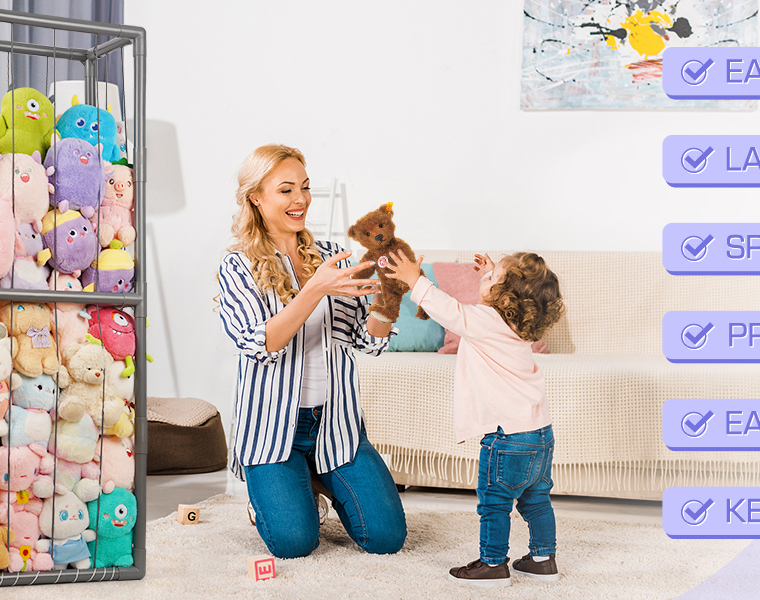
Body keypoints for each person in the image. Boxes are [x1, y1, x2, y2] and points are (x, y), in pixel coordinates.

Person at [216, 144, 407, 558]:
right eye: (285, 190)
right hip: (272, 429)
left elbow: (365, 341)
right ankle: (274, 489)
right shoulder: (236, 265)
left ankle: (314, 474)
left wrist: (389, 300)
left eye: (304, 187)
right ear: (256, 197)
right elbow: (261, 343)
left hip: (334, 423)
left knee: (387, 537)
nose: (300, 199)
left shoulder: (329, 257)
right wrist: (314, 288)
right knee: (294, 543)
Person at [386, 250, 566, 587]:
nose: (484, 276)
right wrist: (492, 276)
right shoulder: (515, 325)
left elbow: (450, 311)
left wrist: (414, 279)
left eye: (492, 276)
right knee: (537, 499)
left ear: (504, 295)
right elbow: (488, 306)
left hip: (507, 437)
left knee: (494, 503)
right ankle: (543, 559)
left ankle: (493, 564)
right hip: (540, 434)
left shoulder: (485, 321)